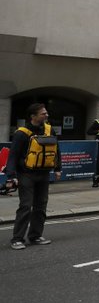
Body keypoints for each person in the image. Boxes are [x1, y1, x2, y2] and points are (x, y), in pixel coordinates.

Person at [6, 103, 62, 250]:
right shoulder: (21, 133)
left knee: (41, 206)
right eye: (43, 113)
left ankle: (35, 236)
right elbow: (13, 156)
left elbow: (57, 149)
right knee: (25, 206)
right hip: (26, 174)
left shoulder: (49, 130)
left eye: (46, 113)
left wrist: (58, 168)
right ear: (33, 116)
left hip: (44, 174)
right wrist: (11, 176)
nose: (46, 115)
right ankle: (17, 239)